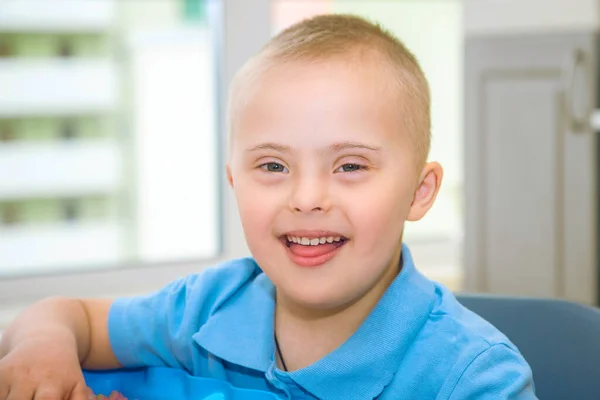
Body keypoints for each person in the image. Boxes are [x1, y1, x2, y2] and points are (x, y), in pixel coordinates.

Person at [0, 14, 537, 400]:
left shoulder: (474, 377)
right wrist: (45, 346)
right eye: (273, 167)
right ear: (234, 182)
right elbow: (71, 318)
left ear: (419, 193)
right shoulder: (210, 306)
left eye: (350, 165)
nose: (306, 199)